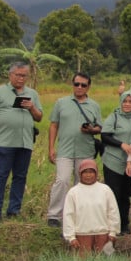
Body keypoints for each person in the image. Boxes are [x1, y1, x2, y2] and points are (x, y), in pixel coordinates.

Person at [0, 62, 43, 221]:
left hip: (25, 142)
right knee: (1, 175)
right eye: (18, 75)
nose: (21, 78)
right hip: (5, 141)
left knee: (20, 176)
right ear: (10, 75)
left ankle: (14, 210)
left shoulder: (32, 93)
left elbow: (39, 117)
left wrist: (31, 107)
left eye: (24, 75)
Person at [46, 72, 103, 228]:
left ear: (88, 87)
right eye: (76, 84)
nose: (79, 87)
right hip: (64, 149)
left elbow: (99, 128)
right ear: (72, 85)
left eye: (83, 85)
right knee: (62, 180)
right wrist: (51, 147)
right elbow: (53, 125)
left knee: (82, 183)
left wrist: (91, 130)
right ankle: (54, 215)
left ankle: (79, 215)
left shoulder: (94, 106)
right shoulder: (61, 103)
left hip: (85, 151)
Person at [100, 91, 131, 233]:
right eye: (125, 101)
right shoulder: (114, 117)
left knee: (126, 195)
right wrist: (121, 144)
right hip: (112, 161)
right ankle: (112, 226)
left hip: (129, 164)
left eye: (130, 101)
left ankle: (124, 225)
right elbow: (104, 136)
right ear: (121, 102)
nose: (127, 104)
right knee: (113, 194)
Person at [62, 159, 120, 255]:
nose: (88, 175)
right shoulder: (73, 192)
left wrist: (113, 232)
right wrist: (71, 237)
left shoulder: (105, 190)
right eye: (85, 172)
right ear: (80, 174)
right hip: (81, 235)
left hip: (103, 235)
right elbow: (68, 215)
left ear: (96, 173)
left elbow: (113, 211)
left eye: (91, 172)